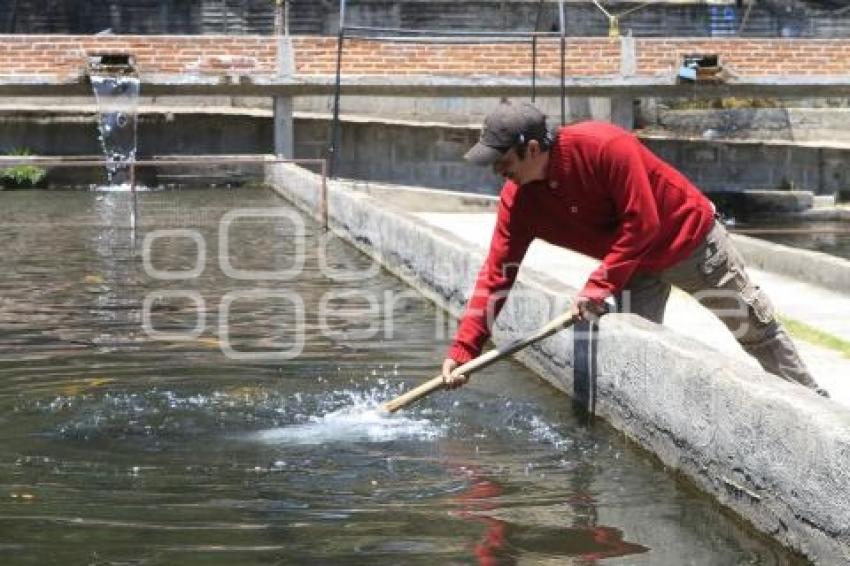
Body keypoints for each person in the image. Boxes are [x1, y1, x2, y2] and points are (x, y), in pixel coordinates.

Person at [441, 100, 828, 397]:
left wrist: (597, 285)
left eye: (501, 160)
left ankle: (816, 405)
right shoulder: (519, 200)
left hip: (692, 246)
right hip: (633, 265)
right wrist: (464, 350)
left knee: (753, 331)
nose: (497, 171)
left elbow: (643, 223)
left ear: (530, 149)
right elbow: (497, 273)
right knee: (634, 354)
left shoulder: (604, 146)